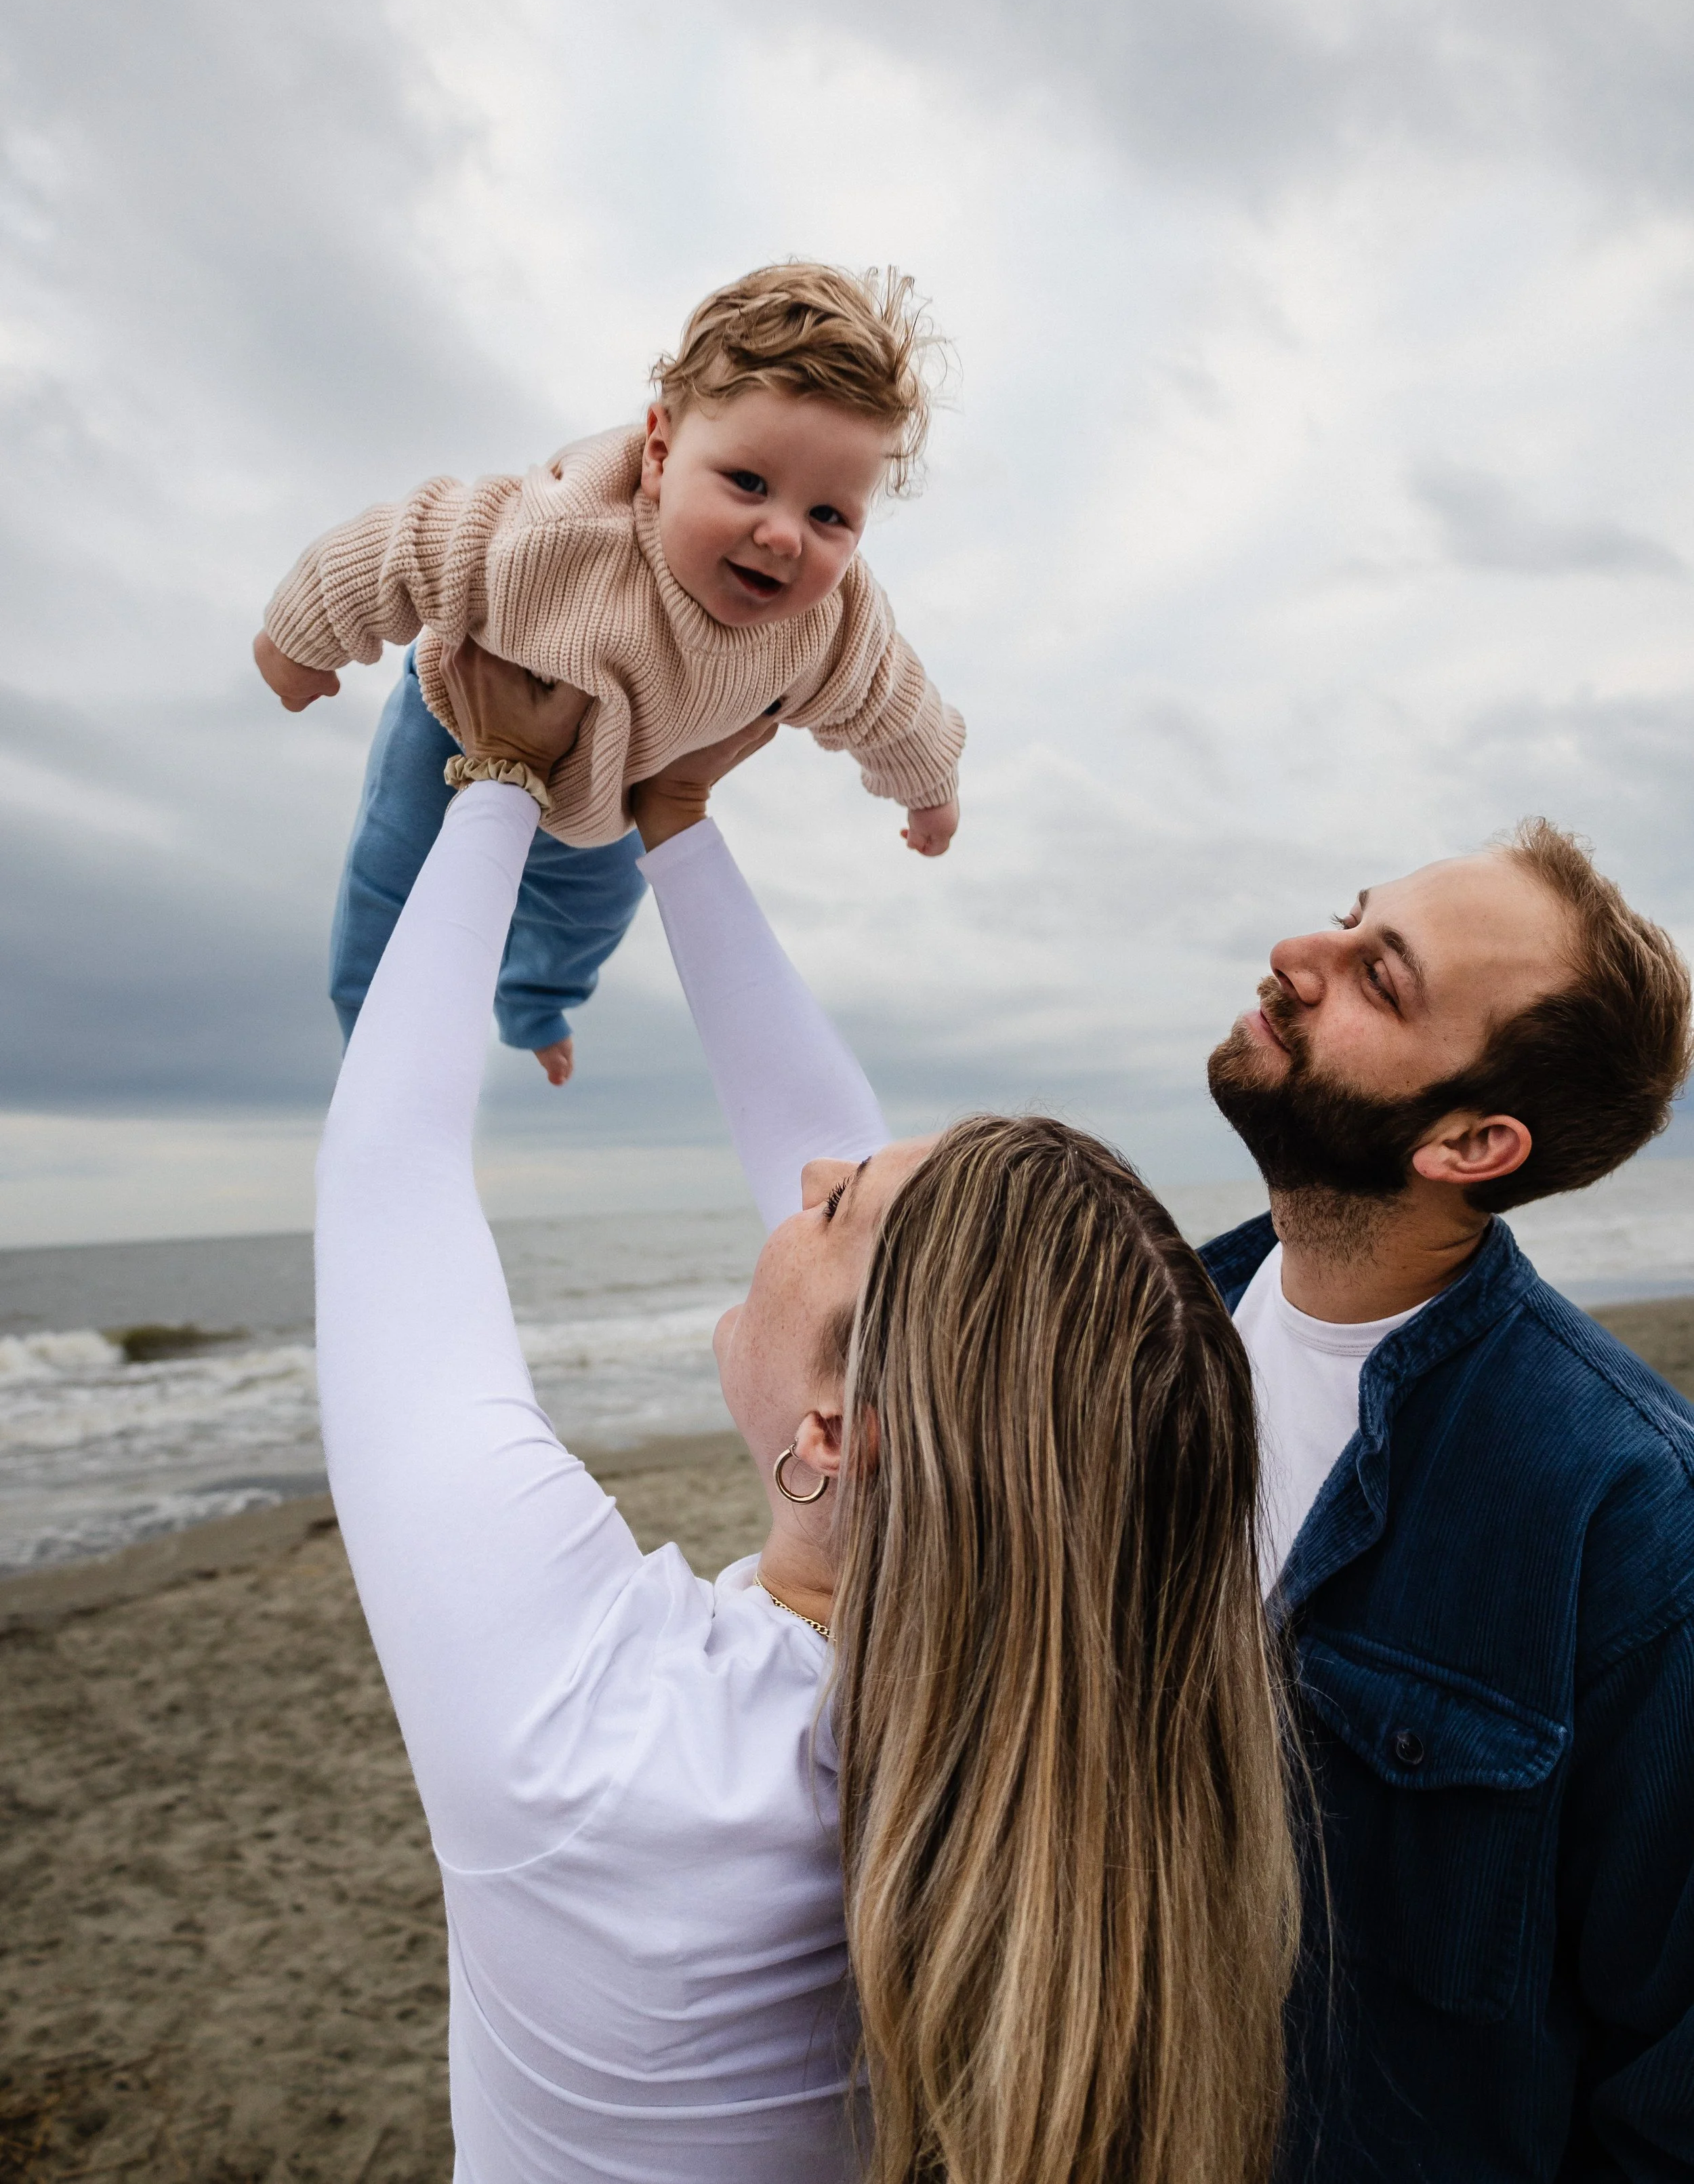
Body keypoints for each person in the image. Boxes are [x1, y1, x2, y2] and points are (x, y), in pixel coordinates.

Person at [313, 642, 1296, 2184]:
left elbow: (390, 1182)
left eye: (827, 1204)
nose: (802, 1180)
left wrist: (499, 770)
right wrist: (677, 817)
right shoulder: (1116, 1718)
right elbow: (920, 1293)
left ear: (838, 1429)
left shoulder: (606, 1749)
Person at [1200, 827, 1694, 2179]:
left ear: (1471, 1141)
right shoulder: (1119, 1350)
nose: (1299, 958)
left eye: (1379, 978)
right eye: (1345, 919)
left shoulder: (1626, 1515)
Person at [257, 262, 965, 1079]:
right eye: (748, 483)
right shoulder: (554, 534)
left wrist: (928, 789)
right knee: (390, 900)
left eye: (829, 515)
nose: (783, 536)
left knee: (589, 916)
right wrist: (297, 641)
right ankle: (373, 1064)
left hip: (618, 787)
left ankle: (535, 1004)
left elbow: (895, 702)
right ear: (660, 452)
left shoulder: (830, 627)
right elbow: (403, 546)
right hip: (449, 735)